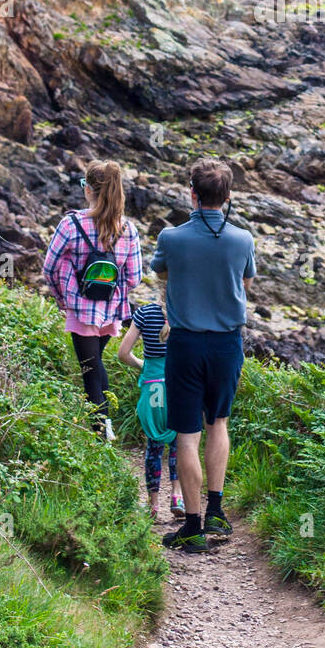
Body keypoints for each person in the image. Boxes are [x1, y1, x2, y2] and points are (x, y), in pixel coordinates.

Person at [151, 158, 256, 553]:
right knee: (219, 424)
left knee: (186, 434)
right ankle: (217, 511)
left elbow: (161, 273)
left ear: (191, 194)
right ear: (227, 198)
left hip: (186, 343)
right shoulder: (243, 239)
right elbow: (245, 281)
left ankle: (192, 527)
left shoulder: (171, 237)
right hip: (227, 344)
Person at [43, 160, 139, 439]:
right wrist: (111, 292)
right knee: (95, 363)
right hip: (110, 312)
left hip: (80, 309)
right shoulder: (127, 230)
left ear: (88, 190)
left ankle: (101, 436)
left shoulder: (70, 224)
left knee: (90, 369)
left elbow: (49, 267)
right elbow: (134, 276)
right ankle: (106, 426)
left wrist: (65, 297)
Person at [118, 300, 184, 521]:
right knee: (178, 445)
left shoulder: (145, 313)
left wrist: (145, 366)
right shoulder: (185, 309)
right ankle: (177, 496)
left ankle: (153, 505)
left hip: (152, 387)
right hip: (177, 384)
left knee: (153, 447)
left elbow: (123, 353)